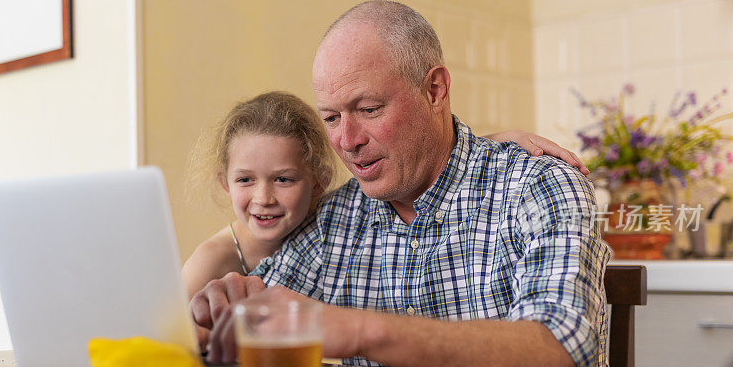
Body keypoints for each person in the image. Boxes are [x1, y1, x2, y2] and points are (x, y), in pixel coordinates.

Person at [191, 1, 609, 367]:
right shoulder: (334, 220)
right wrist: (225, 312)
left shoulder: (539, 187)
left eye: (369, 110)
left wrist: (359, 329)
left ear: (435, 90)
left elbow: (558, 355)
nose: (347, 141)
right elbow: (258, 315)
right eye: (332, 118)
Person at [182, 92, 587, 300]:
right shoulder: (219, 258)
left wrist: (483, 149)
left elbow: (426, 162)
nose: (264, 199)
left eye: (284, 180)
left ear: (318, 182)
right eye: (245, 181)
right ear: (225, 182)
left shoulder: (326, 213)